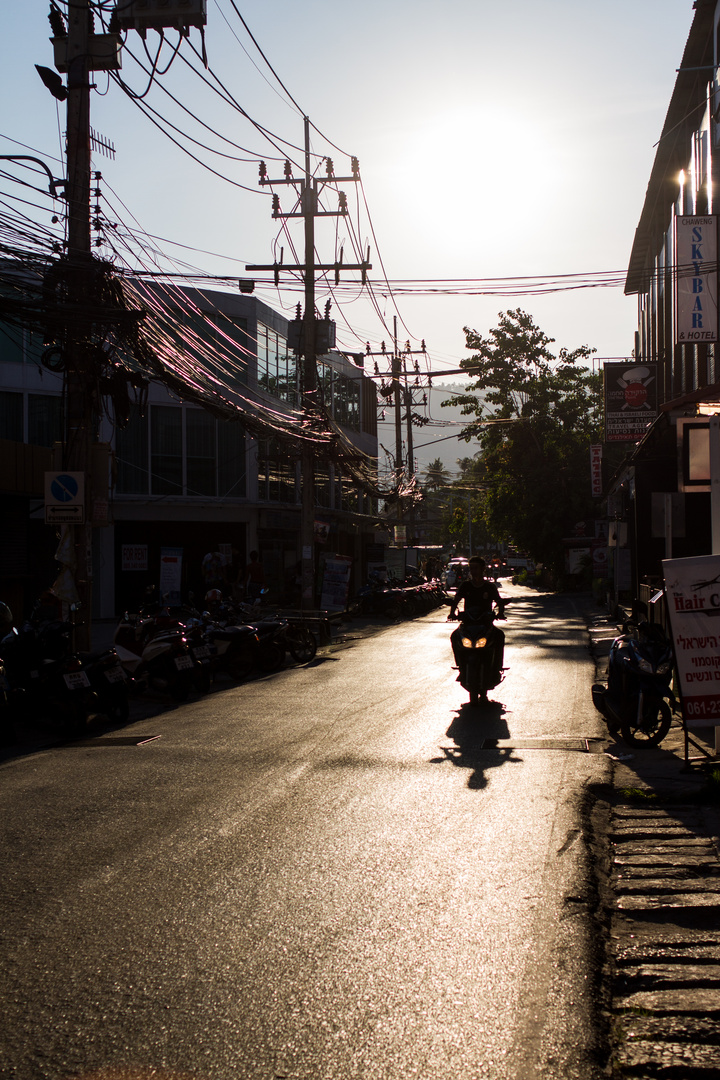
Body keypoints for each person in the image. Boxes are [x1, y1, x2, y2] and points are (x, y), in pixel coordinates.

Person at [448, 555, 506, 677]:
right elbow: (456, 600)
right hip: (468, 623)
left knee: (499, 635)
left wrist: (500, 613)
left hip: (485, 623)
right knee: (454, 636)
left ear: (483, 569)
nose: (473, 571)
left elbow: (499, 601)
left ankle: (497, 666)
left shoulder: (489, 587)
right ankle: (460, 665)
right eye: (471, 568)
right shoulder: (466, 585)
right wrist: (452, 612)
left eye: (476, 568)